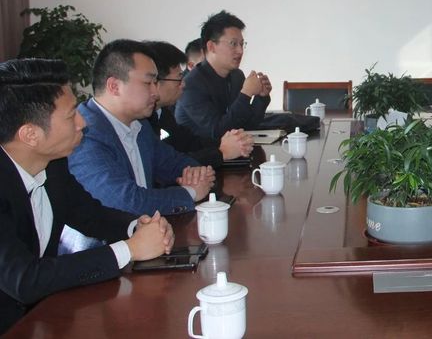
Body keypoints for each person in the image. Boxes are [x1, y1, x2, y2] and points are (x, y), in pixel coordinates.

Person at [0, 59, 174, 333]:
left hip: (42, 318)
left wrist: (137, 226)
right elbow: (25, 278)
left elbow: (89, 214)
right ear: (30, 134)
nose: (83, 122)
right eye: (71, 115)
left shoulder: (52, 164)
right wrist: (129, 249)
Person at [68, 40, 215, 216]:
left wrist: (198, 173)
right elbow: (126, 201)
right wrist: (190, 193)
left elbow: (172, 162)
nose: (156, 92)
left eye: (156, 82)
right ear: (114, 86)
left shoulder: (139, 124)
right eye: (148, 83)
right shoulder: (84, 134)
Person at [144, 41, 253, 167]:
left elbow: (190, 143)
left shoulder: (162, 113)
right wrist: (221, 152)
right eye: (179, 79)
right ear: (156, 81)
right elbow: (168, 165)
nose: (183, 84)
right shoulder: (143, 122)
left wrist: (229, 143)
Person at [175, 11, 272, 139]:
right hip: (200, 150)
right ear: (211, 46)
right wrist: (246, 94)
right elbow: (218, 131)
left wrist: (261, 97)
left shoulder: (236, 76)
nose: (240, 51)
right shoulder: (191, 84)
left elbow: (247, 125)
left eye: (242, 44)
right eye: (233, 43)